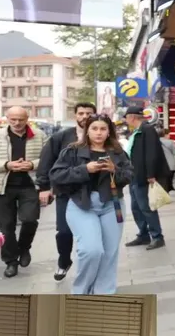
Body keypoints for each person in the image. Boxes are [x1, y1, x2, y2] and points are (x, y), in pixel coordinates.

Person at [50, 117, 133, 295]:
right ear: (87, 130)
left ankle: (104, 292)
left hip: (112, 205)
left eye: (103, 129)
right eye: (94, 128)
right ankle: (81, 291)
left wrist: (114, 170)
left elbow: (129, 176)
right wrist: (85, 169)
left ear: (109, 132)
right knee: (91, 250)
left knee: (109, 253)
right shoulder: (72, 151)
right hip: (82, 205)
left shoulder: (117, 152)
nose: (98, 133)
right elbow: (56, 175)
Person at [36, 102, 97, 282]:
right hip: (66, 192)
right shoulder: (61, 137)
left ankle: (90, 267)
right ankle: (64, 261)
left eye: (88, 113)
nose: (84, 117)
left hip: (92, 192)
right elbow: (46, 162)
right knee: (64, 231)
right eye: (81, 113)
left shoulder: (100, 136)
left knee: (91, 233)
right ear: (75, 115)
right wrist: (44, 187)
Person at [0, 107, 49, 279]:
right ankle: (11, 261)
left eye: (21, 119)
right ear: (7, 118)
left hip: (30, 185)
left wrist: (32, 164)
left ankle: (24, 248)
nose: (17, 123)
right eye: (13, 119)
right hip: (2, 187)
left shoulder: (39, 135)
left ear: (27, 118)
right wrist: (6, 165)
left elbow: (48, 159)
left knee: (30, 219)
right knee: (6, 226)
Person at [122, 107, 170, 250]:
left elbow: (151, 153)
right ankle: (143, 235)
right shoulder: (136, 131)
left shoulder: (147, 130)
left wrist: (150, 174)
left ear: (131, 117)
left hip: (143, 175)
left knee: (146, 207)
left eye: (126, 118)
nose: (126, 121)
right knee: (136, 207)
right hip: (133, 175)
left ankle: (157, 237)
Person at [154, 123, 175, 194]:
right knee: (169, 177)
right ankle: (168, 188)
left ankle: (165, 190)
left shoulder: (154, 142)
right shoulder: (170, 142)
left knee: (162, 179)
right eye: (168, 134)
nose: (169, 135)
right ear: (165, 135)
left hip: (160, 164)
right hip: (171, 164)